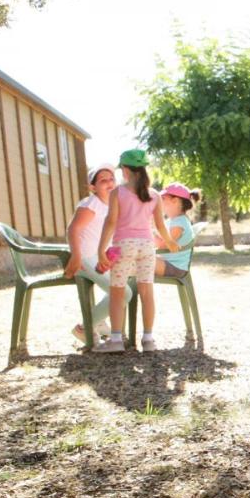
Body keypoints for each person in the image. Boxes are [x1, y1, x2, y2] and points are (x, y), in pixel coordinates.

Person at [92, 149, 178, 354]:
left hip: (124, 246)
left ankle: (115, 340)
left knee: (117, 291)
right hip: (147, 246)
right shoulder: (154, 195)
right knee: (147, 292)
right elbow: (160, 225)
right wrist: (169, 242)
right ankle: (148, 339)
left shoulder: (118, 193)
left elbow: (111, 222)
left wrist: (101, 249)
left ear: (125, 169)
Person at [63, 163, 134, 344]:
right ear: (93, 187)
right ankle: (84, 328)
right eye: (103, 180)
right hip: (86, 258)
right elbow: (73, 230)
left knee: (124, 283)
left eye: (112, 179)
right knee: (123, 293)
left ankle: (100, 321)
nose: (109, 183)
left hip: (100, 256)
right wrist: (76, 256)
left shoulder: (112, 204)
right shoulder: (91, 204)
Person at [153, 183, 199, 278]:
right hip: (167, 263)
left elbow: (162, 245)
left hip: (175, 267)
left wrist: (148, 232)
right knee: (135, 258)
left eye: (163, 199)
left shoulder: (180, 223)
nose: (160, 203)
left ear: (175, 201)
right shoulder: (173, 221)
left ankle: (129, 291)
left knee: (139, 261)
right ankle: (131, 290)